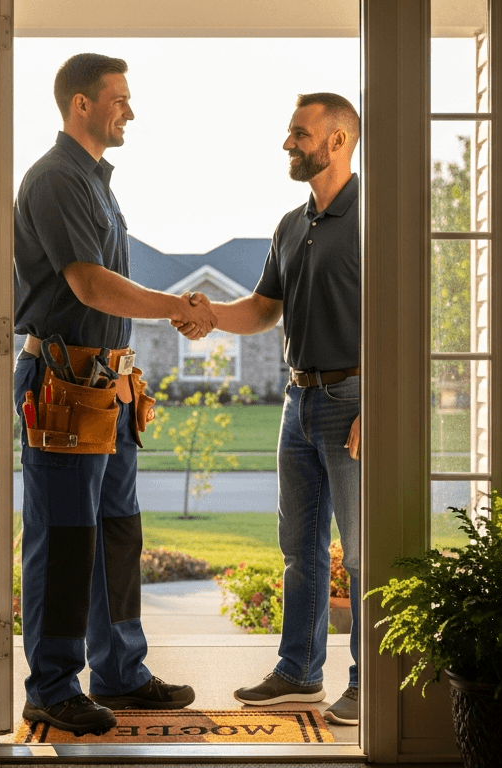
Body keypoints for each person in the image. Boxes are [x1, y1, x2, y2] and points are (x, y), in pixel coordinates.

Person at [13, 52, 216, 736]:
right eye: (118, 99)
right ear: (81, 104)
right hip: (64, 386)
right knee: (65, 540)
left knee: (116, 534)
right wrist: (178, 305)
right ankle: (51, 687)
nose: (130, 110)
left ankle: (121, 671)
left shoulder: (96, 184)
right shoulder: (55, 179)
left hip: (110, 387)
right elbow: (90, 285)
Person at [175, 93, 362, 726]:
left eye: (299, 134)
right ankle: (299, 674)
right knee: (299, 546)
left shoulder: (373, 217)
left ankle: (369, 683)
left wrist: (380, 404)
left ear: (337, 141)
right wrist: (205, 315)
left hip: (352, 400)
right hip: (298, 400)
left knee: (361, 552)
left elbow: (402, 314)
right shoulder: (290, 224)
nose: (288, 144)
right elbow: (261, 309)